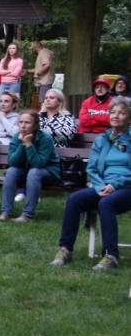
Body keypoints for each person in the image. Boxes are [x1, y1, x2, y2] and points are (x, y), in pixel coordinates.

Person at [51, 97, 131, 270]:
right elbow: (92, 169)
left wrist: (115, 185)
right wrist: (99, 186)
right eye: (113, 112)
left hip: (126, 187)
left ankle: (111, 256)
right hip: (103, 186)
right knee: (74, 200)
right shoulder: (101, 140)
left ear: (129, 119)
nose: (116, 116)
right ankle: (65, 249)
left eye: (121, 113)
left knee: (106, 203)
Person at [0, 110, 60, 223]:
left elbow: (38, 163)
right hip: (26, 170)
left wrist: (29, 144)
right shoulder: (17, 137)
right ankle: (5, 212)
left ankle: (27, 215)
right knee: (11, 171)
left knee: (34, 172)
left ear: (35, 125)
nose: (23, 125)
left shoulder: (45, 138)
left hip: (48, 172)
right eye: (20, 122)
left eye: (27, 122)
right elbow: (12, 161)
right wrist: (22, 144)